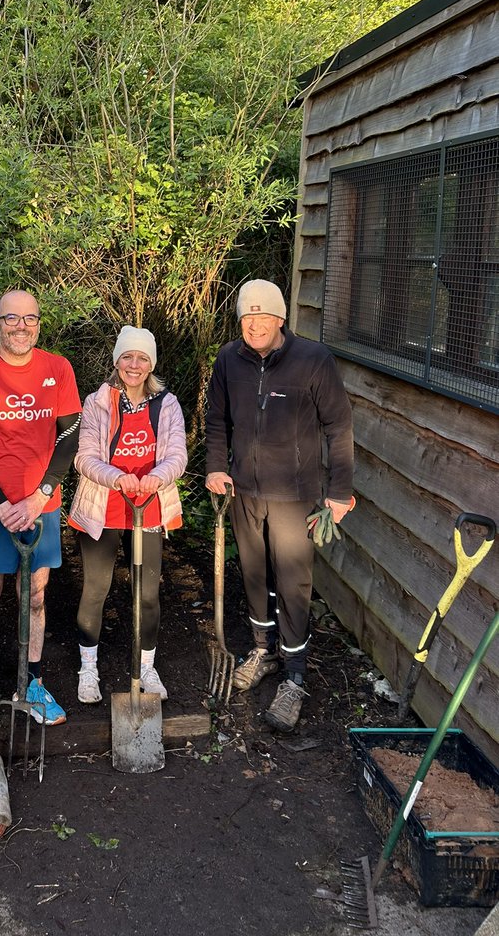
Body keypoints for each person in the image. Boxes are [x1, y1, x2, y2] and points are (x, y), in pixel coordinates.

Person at [204, 280, 353, 733]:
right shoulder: (230, 359)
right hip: (245, 491)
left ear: (280, 319)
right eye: (247, 319)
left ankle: (295, 673)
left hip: (296, 495)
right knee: (253, 574)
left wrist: (341, 491)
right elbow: (215, 418)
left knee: (293, 580)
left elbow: (338, 424)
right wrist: (215, 466)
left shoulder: (313, 360)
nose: (254, 326)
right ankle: (262, 649)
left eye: (263, 317)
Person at [0, 289, 81, 729]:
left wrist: (39, 496)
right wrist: (5, 504)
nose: (21, 326)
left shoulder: (57, 368)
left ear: (38, 324)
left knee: (37, 594)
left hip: (41, 504)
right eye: (11, 318)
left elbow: (69, 437)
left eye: (29, 319)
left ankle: (33, 683)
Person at [68, 326, 188, 704]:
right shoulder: (98, 402)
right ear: (117, 361)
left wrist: (154, 478)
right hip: (104, 508)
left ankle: (147, 667)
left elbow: (178, 455)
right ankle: (89, 669)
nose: (134, 365)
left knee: (148, 594)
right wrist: (118, 477)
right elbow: (83, 457)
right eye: (127, 357)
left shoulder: (165, 404)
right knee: (96, 589)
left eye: (142, 358)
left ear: (150, 364)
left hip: (148, 506)